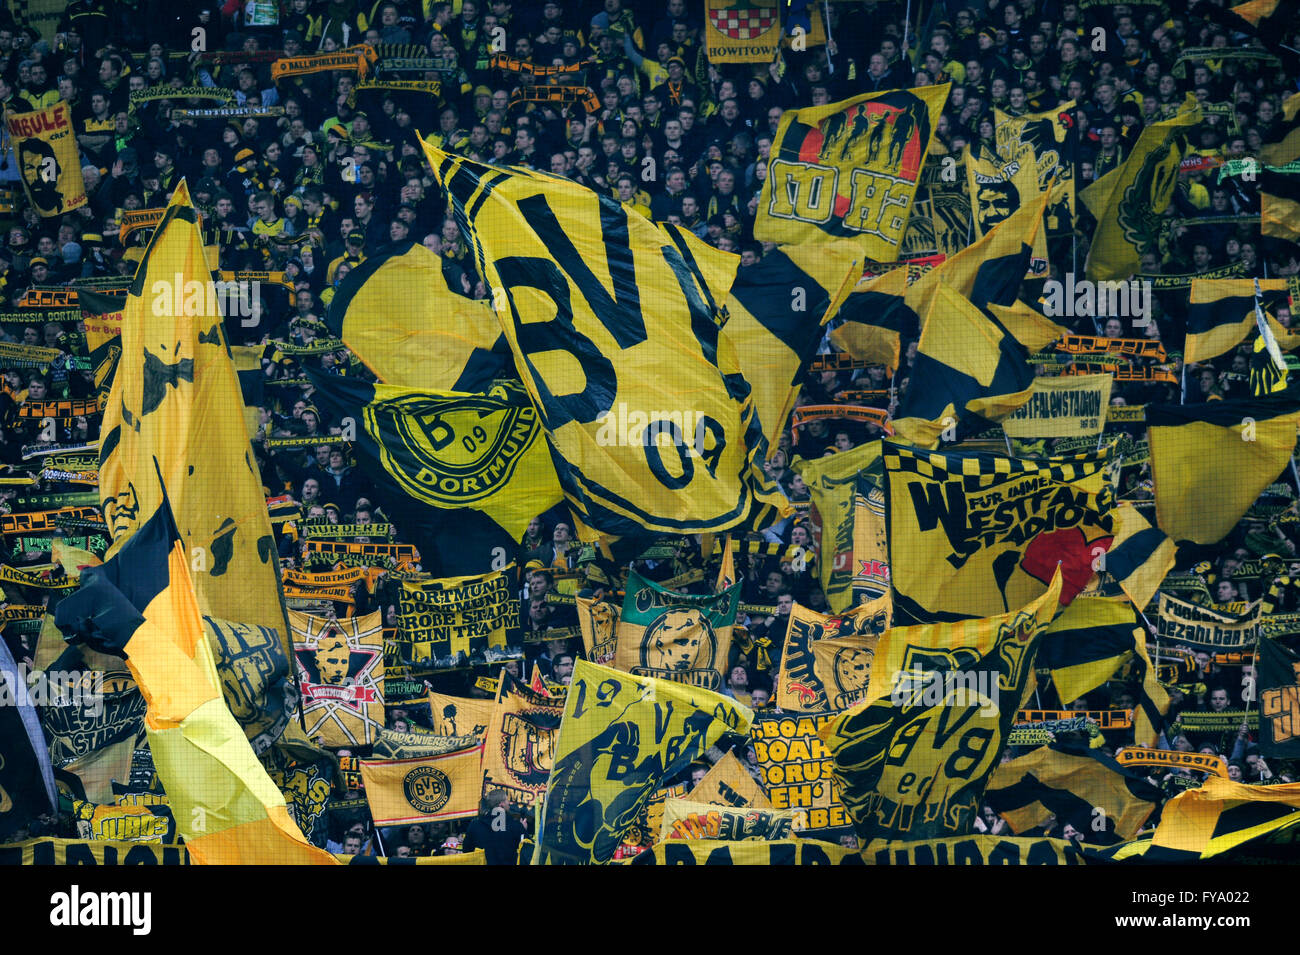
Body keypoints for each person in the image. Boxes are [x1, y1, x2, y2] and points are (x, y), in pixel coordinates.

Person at [462, 790, 526, 865]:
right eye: (507, 800)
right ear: (501, 804)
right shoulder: (516, 826)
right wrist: (523, 830)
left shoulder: (474, 825)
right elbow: (526, 852)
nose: (509, 803)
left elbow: (466, 851)